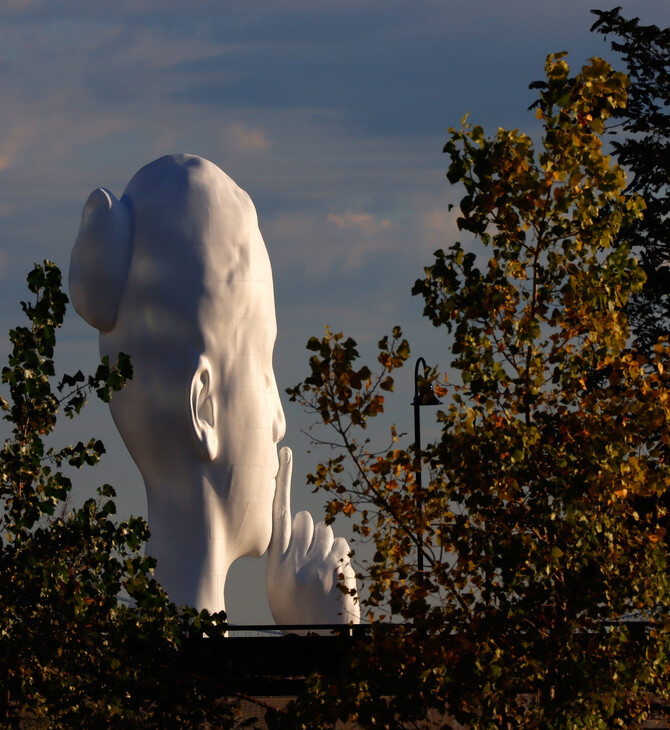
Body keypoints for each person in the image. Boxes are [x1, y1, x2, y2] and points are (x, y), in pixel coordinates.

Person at [69, 154, 359, 625]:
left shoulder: (90, 664)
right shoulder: (193, 693)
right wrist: (327, 641)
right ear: (204, 407)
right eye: (262, 368)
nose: (279, 418)